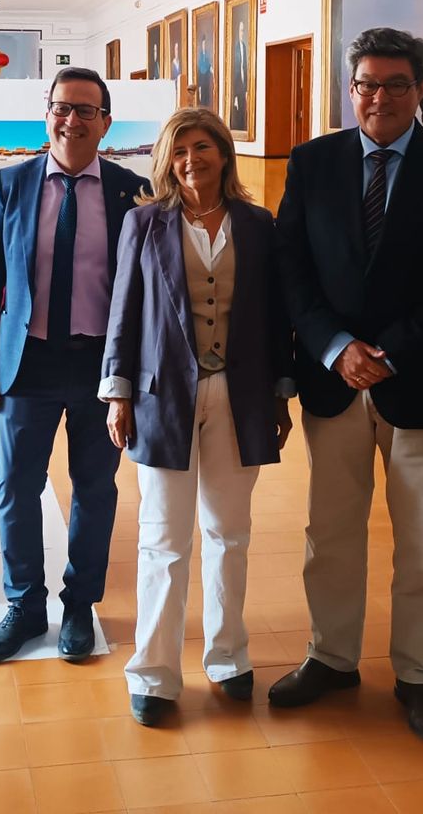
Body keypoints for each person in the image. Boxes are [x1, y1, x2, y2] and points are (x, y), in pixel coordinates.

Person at [271, 27, 423, 747]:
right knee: (329, 530)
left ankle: (419, 674)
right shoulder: (312, 163)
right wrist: (337, 348)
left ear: (421, 89)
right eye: (366, 83)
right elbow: (292, 271)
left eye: (397, 84)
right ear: (350, 88)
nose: (379, 97)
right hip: (334, 380)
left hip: (421, 380)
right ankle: (332, 657)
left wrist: (390, 352)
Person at [99, 109, 295, 727]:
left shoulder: (259, 225)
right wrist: (118, 391)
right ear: (167, 158)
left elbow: (274, 315)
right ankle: (154, 674)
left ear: (223, 153)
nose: (192, 159)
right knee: (162, 540)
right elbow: (123, 311)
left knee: (229, 534)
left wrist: (281, 391)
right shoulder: (144, 223)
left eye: (203, 146)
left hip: (241, 397)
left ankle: (228, 657)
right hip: (162, 399)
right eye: (180, 149)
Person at [0, 67, 150, 663]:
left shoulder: (131, 191)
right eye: (61, 108)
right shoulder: (12, 183)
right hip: (28, 361)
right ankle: (24, 606)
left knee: (95, 487)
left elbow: (145, 286)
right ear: (47, 113)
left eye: (85, 110)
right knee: (16, 486)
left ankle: (79, 605)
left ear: (106, 122)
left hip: (104, 364)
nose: (71, 120)